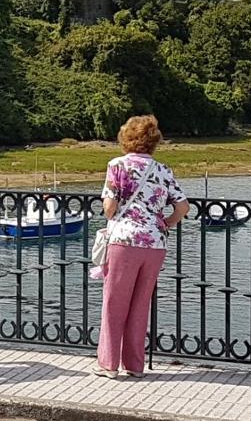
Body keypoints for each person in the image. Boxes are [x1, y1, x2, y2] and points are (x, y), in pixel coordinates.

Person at [96, 115, 190, 378]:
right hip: (155, 244)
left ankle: (109, 364)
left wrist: (113, 206)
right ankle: (135, 365)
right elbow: (183, 207)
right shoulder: (163, 170)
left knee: (115, 303)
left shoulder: (117, 165)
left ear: (127, 138)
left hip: (124, 241)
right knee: (140, 305)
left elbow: (109, 208)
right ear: (153, 142)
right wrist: (166, 223)